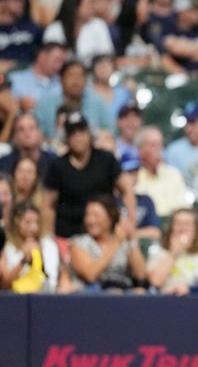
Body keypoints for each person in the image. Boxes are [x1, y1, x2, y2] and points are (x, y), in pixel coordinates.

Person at [43, 112, 136, 242]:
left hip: (106, 235)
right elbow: (48, 205)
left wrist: (130, 221)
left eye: (81, 131)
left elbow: (126, 189)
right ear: (67, 138)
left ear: (89, 133)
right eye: (72, 133)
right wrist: (50, 238)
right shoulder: (57, 165)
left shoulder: (106, 159)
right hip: (68, 236)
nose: (77, 137)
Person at [67, 194, 146, 292]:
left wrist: (131, 239)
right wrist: (115, 243)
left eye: (96, 215)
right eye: (87, 215)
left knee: (140, 292)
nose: (90, 220)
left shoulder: (123, 243)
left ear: (110, 218)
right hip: (93, 293)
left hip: (123, 290)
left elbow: (140, 274)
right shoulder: (79, 243)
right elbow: (90, 275)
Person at [146, 208, 198, 296]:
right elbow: (155, 282)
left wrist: (192, 290)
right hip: (170, 305)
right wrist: (174, 253)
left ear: (196, 229)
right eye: (178, 223)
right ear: (171, 228)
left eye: (187, 224)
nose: (182, 228)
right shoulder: (159, 253)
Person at [0, 202, 59, 293]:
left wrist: (39, 255)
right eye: (27, 222)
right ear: (16, 222)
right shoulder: (8, 247)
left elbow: (52, 280)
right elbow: (5, 283)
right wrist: (23, 260)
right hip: (14, 296)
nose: (33, 228)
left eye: (36, 222)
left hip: (43, 294)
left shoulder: (48, 244)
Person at [135, 126, 190, 218]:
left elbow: (182, 207)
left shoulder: (173, 174)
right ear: (140, 149)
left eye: (160, 145)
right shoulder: (133, 176)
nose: (158, 150)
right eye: (153, 145)